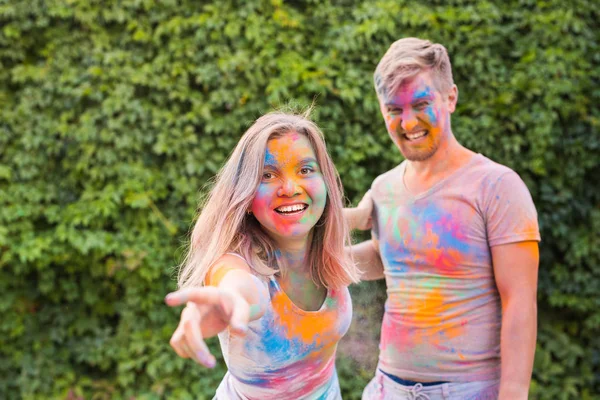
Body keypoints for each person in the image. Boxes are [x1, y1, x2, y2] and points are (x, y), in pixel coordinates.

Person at [345, 38, 541, 400]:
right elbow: (388, 258)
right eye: (393, 109)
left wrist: (514, 393)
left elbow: (520, 301)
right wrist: (308, 254)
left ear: (450, 97)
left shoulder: (497, 186)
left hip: (469, 390)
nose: (408, 122)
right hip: (387, 388)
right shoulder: (384, 187)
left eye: (421, 104)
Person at [165, 111, 360, 399]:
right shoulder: (235, 263)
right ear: (245, 197)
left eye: (305, 170)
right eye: (268, 175)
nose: (290, 188)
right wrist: (227, 301)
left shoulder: (328, 255)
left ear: (326, 182)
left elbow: (381, 258)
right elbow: (237, 287)